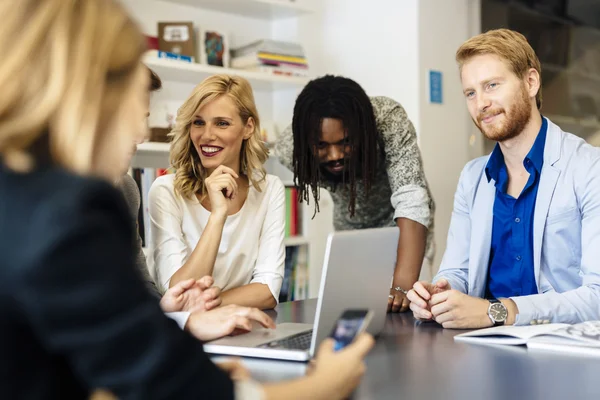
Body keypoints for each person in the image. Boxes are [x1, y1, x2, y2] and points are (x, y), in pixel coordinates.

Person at [0, 1, 374, 398]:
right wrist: (325, 385)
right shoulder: (66, 217)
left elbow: (91, 350)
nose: (141, 133)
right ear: (93, 99)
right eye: (136, 108)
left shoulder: (25, 202)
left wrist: (185, 326)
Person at [408, 28, 600, 329]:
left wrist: (497, 311)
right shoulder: (473, 177)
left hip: (563, 347)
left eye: (492, 85)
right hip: (483, 346)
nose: (480, 103)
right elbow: (457, 270)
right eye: (471, 92)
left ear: (531, 82)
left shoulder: (590, 167)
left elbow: (597, 297)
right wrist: (438, 293)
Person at [274, 75, 435, 313]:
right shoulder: (289, 150)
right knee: (354, 315)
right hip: (350, 232)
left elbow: (411, 199)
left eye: (346, 142)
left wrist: (401, 288)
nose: (335, 155)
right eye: (321, 146)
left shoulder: (388, 120)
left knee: (410, 314)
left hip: (406, 230)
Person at [149, 74, 284, 310]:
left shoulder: (269, 189)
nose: (207, 135)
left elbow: (268, 292)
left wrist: (203, 303)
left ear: (248, 128)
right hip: (186, 335)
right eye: (198, 122)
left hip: (244, 331)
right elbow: (179, 293)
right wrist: (217, 216)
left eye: (222, 123)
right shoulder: (166, 191)